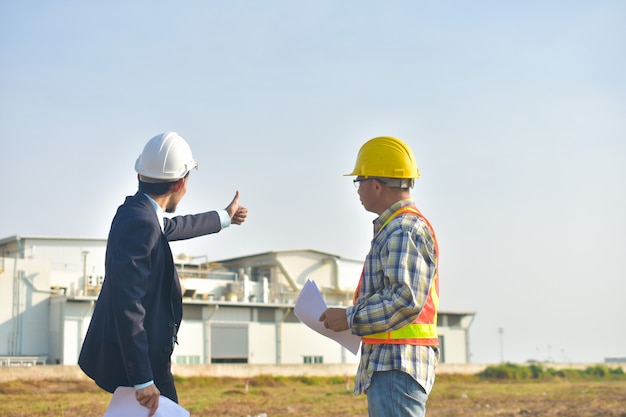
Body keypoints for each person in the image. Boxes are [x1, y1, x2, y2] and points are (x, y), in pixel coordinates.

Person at [78, 131, 248, 416]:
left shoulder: (136, 213)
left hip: (142, 357)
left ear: (139, 176)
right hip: (139, 361)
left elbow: (170, 227)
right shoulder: (142, 223)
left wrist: (224, 217)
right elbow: (127, 304)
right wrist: (143, 379)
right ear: (181, 183)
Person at [319, 136, 439, 417]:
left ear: (376, 184)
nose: (357, 189)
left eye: (359, 180)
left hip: (396, 363)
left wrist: (349, 318)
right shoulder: (397, 228)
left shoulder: (402, 230)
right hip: (392, 363)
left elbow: (404, 300)